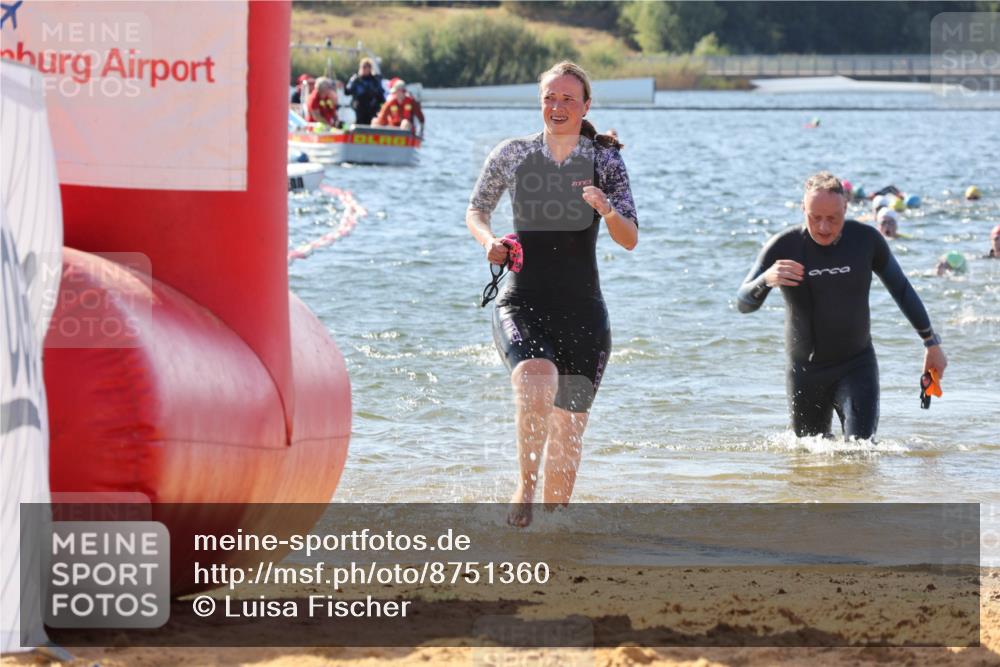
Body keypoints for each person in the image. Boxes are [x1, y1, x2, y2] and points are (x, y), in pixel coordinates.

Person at [466, 61, 638, 527]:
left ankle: (556, 537)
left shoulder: (604, 161)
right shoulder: (514, 154)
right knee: (535, 375)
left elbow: (629, 238)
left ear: (585, 106)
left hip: (585, 314)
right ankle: (524, 486)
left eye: (567, 98)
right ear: (539, 101)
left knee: (568, 432)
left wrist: (606, 208)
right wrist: (490, 243)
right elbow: (477, 210)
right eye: (549, 97)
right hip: (522, 303)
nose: (557, 106)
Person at [736, 172, 947, 440]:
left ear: (846, 208)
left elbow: (902, 290)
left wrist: (932, 344)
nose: (824, 227)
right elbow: (743, 304)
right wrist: (765, 280)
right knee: (808, 462)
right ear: (803, 209)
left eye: (833, 218)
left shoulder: (866, 241)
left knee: (860, 453)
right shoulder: (784, 246)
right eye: (815, 218)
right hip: (805, 373)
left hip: (857, 367)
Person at [345, 58, 384, 125]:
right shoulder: (355, 79)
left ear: (370, 68)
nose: (364, 69)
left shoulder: (375, 80)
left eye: (366, 67)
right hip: (359, 109)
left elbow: (381, 95)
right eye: (363, 67)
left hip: (372, 109)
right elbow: (347, 92)